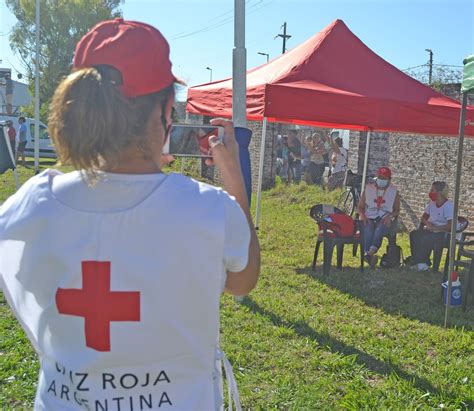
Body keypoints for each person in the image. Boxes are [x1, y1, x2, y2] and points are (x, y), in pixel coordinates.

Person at [0, 18, 260, 410]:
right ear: (167, 110)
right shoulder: (207, 209)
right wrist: (235, 182)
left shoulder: (28, 206)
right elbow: (242, 280)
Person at [358, 166, 400, 268]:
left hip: (384, 217)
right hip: (370, 216)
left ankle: (368, 254)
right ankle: (369, 255)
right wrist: (362, 215)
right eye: (380, 177)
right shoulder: (368, 188)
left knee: (380, 228)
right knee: (368, 227)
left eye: (384, 178)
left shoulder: (394, 192)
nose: (381, 179)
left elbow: (397, 210)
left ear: (389, 179)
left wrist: (390, 216)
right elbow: (360, 206)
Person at [409, 181, 453, 272]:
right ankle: (418, 262)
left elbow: (450, 226)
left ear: (439, 192)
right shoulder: (432, 204)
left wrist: (435, 228)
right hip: (432, 230)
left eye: (432, 190)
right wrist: (428, 224)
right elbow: (424, 217)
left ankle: (425, 263)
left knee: (427, 238)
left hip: (444, 233)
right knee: (414, 234)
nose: (430, 192)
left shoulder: (448, 206)